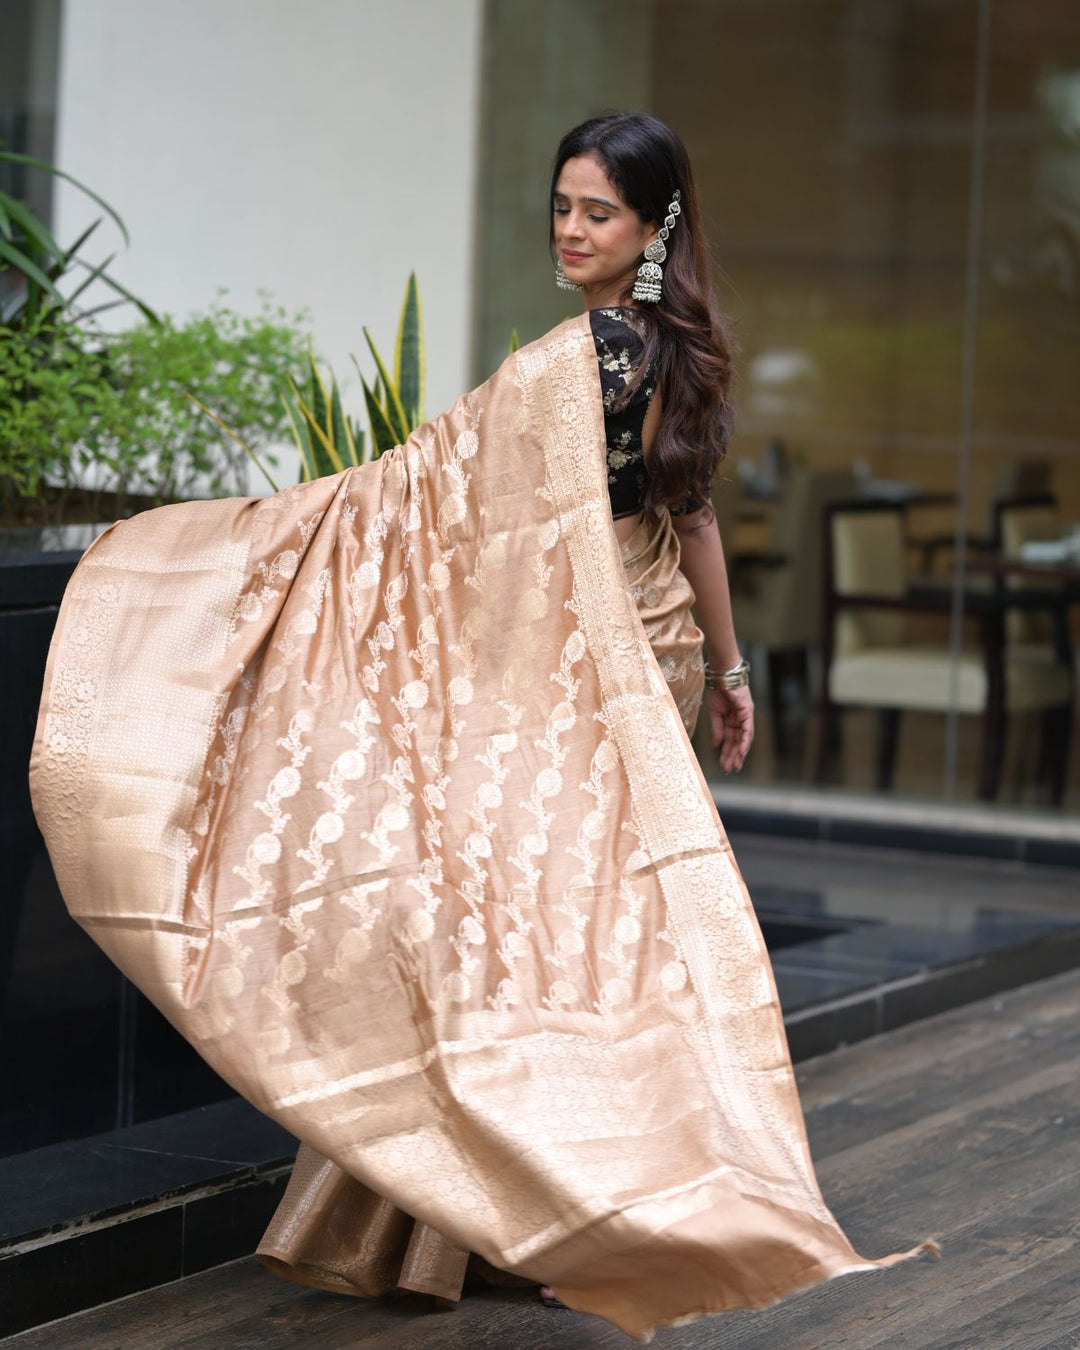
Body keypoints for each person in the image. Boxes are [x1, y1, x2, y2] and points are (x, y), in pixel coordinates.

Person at [30, 111, 935, 1341]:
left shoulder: (593, 358)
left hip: (585, 661)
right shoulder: (679, 348)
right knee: (578, 943)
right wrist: (729, 669)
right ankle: (548, 1214)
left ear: (654, 225)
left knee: (525, 940)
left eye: (597, 213)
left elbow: (433, 492)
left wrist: (248, 539)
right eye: (561, 206)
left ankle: (564, 1212)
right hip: (643, 648)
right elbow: (695, 518)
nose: (570, 231)